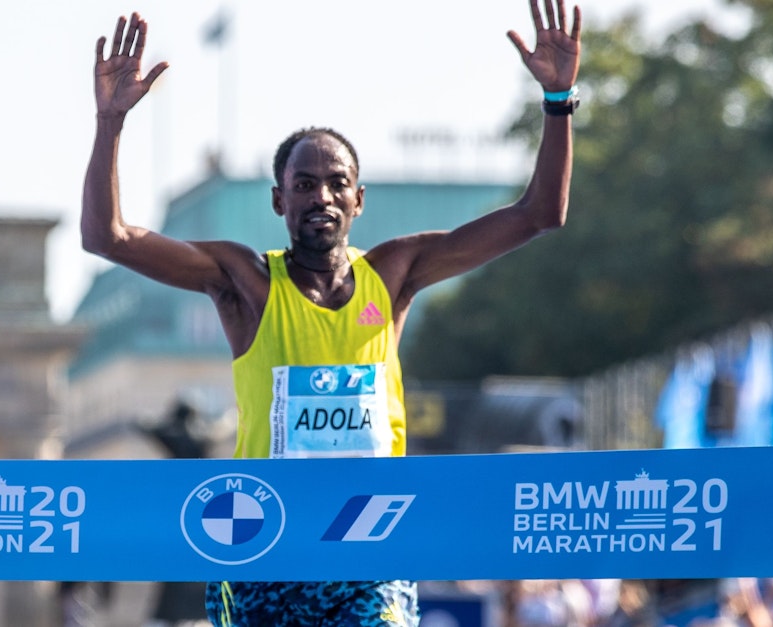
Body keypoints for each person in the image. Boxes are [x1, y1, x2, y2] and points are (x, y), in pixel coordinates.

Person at [80, 1, 581, 624]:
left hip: (368, 541)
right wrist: (110, 122)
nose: (322, 195)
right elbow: (109, 238)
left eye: (338, 182)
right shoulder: (247, 281)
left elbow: (539, 215)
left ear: (360, 199)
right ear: (278, 200)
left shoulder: (395, 273)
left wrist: (559, 100)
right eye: (304, 183)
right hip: (263, 542)